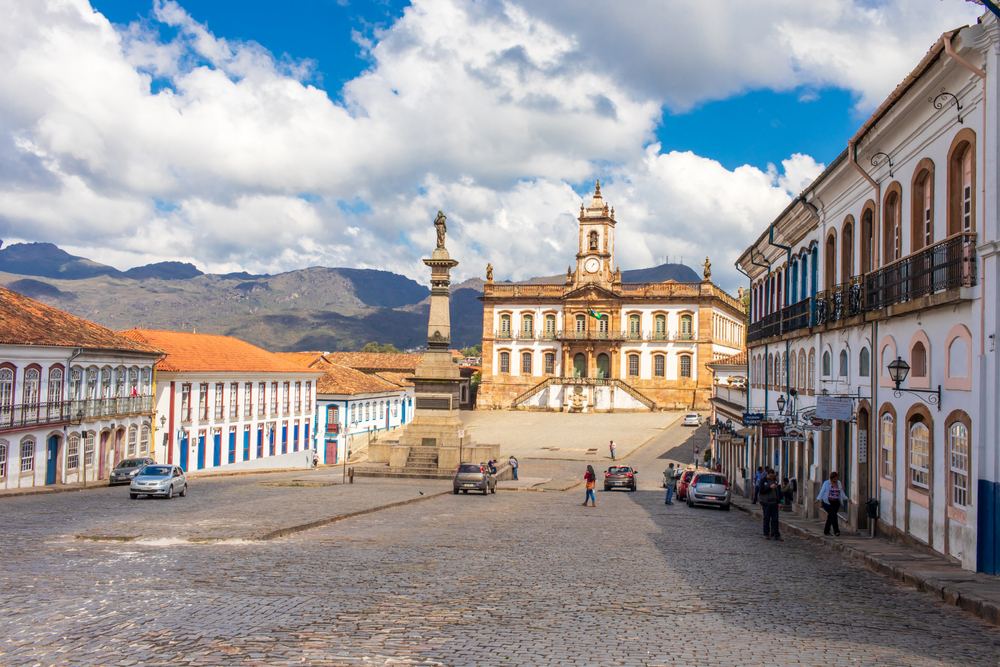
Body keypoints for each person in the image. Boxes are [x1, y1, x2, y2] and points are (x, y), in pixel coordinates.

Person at [815, 471, 848, 536]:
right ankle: (836, 531)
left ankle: (826, 531)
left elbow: (841, 492)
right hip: (828, 502)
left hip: (836, 502)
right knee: (833, 515)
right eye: (834, 479)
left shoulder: (839, 483)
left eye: (836, 479)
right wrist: (817, 499)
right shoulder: (826, 483)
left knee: (830, 517)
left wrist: (846, 499)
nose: (835, 480)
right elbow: (822, 492)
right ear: (831, 479)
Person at [757, 468, 782, 540]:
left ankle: (776, 534)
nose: (772, 477)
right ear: (767, 474)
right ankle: (766, 533)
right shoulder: (763, 481)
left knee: (775, 519)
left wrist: (779, 501)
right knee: (766, 519)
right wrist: (770, 488)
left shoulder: (774, 480)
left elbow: (777, 491)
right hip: (767, 502)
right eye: (770, 476)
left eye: (772, 476)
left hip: (774, 502)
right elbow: (761, 491)